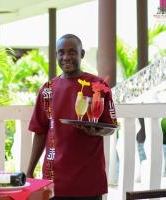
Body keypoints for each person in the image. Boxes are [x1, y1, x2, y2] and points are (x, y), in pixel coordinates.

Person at [26, 34, 118, 200]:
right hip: (54, 178)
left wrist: (96, 131)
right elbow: (40, 131)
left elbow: (110, 127)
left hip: (89, 179)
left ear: (82, 54)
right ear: (56, 56)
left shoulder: (98, 86)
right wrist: (30, 170)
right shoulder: (47, 89)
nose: (66, 57)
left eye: (72, 52)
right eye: (61, 52)